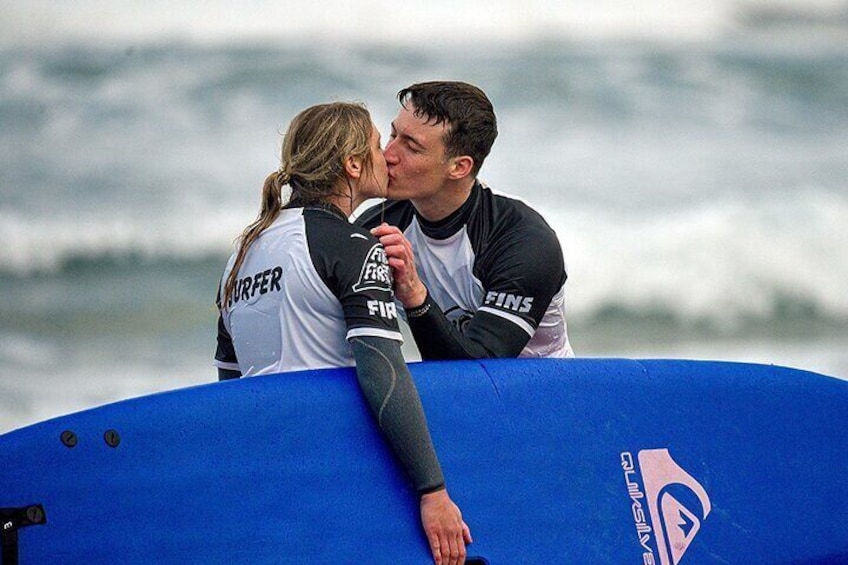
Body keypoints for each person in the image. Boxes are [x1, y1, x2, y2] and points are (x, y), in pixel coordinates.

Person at [214, 102, 471, 564]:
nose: (387, 155)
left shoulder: (241, 255)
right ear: (353, 166)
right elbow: (383, 373)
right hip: (338, 462)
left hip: (266, 468)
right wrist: (433, 491)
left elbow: (228, 385)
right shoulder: (352, 246)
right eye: (376, 146)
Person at [356, 81, 575, 360]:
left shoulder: (523, 242)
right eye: (393, 134)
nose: (388, 155)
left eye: (411, 146)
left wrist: (414, 295)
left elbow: (479, 372)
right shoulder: (375, 225)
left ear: (459, 167)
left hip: (543, 395)